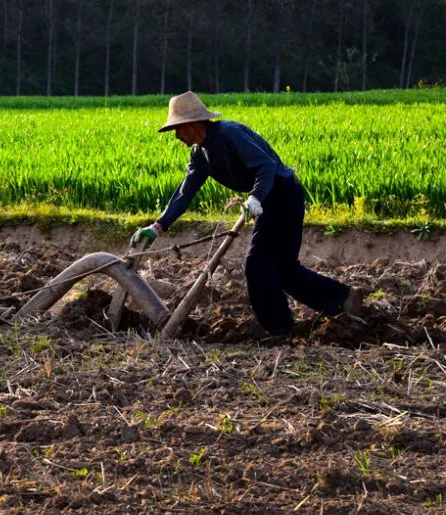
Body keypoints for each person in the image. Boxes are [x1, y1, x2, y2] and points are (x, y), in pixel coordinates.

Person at [131, 91, 362, 337]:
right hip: (267, 200)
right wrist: (158, 227)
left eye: (177, 129)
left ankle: (280, 329)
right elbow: (184, 193)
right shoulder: (200, 154)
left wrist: (256, 197)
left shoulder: (230, 134)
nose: (176, 136)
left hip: (283, 195)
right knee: (282, 268)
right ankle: (342, 299)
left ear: (191, 124)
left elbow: (267, 166)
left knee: (257, 264)